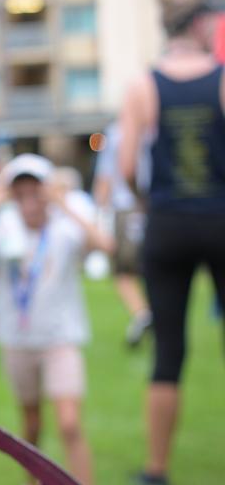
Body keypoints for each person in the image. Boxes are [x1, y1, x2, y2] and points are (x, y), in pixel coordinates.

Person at [0, 155, 114, 485]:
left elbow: (104, 245)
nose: (29, 201)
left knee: (69, 423)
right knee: (32, 422)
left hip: (60, 339)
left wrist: (62, 203)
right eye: (19, 192)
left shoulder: (65, 229)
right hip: (18, 341)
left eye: (35, 191)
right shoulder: (4, 230)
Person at [119, 0, 225, 485]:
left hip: (167, 223)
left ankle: (156, 470)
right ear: (203, 25)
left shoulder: (143, 84)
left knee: (169, 351)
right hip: (220, 217)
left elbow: (124, 166)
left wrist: (150, 200)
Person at [91, 121, 152, 348]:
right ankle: (150, 312)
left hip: (126, 209)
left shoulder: (117, 134)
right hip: (156, 208)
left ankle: (141, 313)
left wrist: (99, 215)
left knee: (123, 271)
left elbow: (106, 177)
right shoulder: (154, 129)